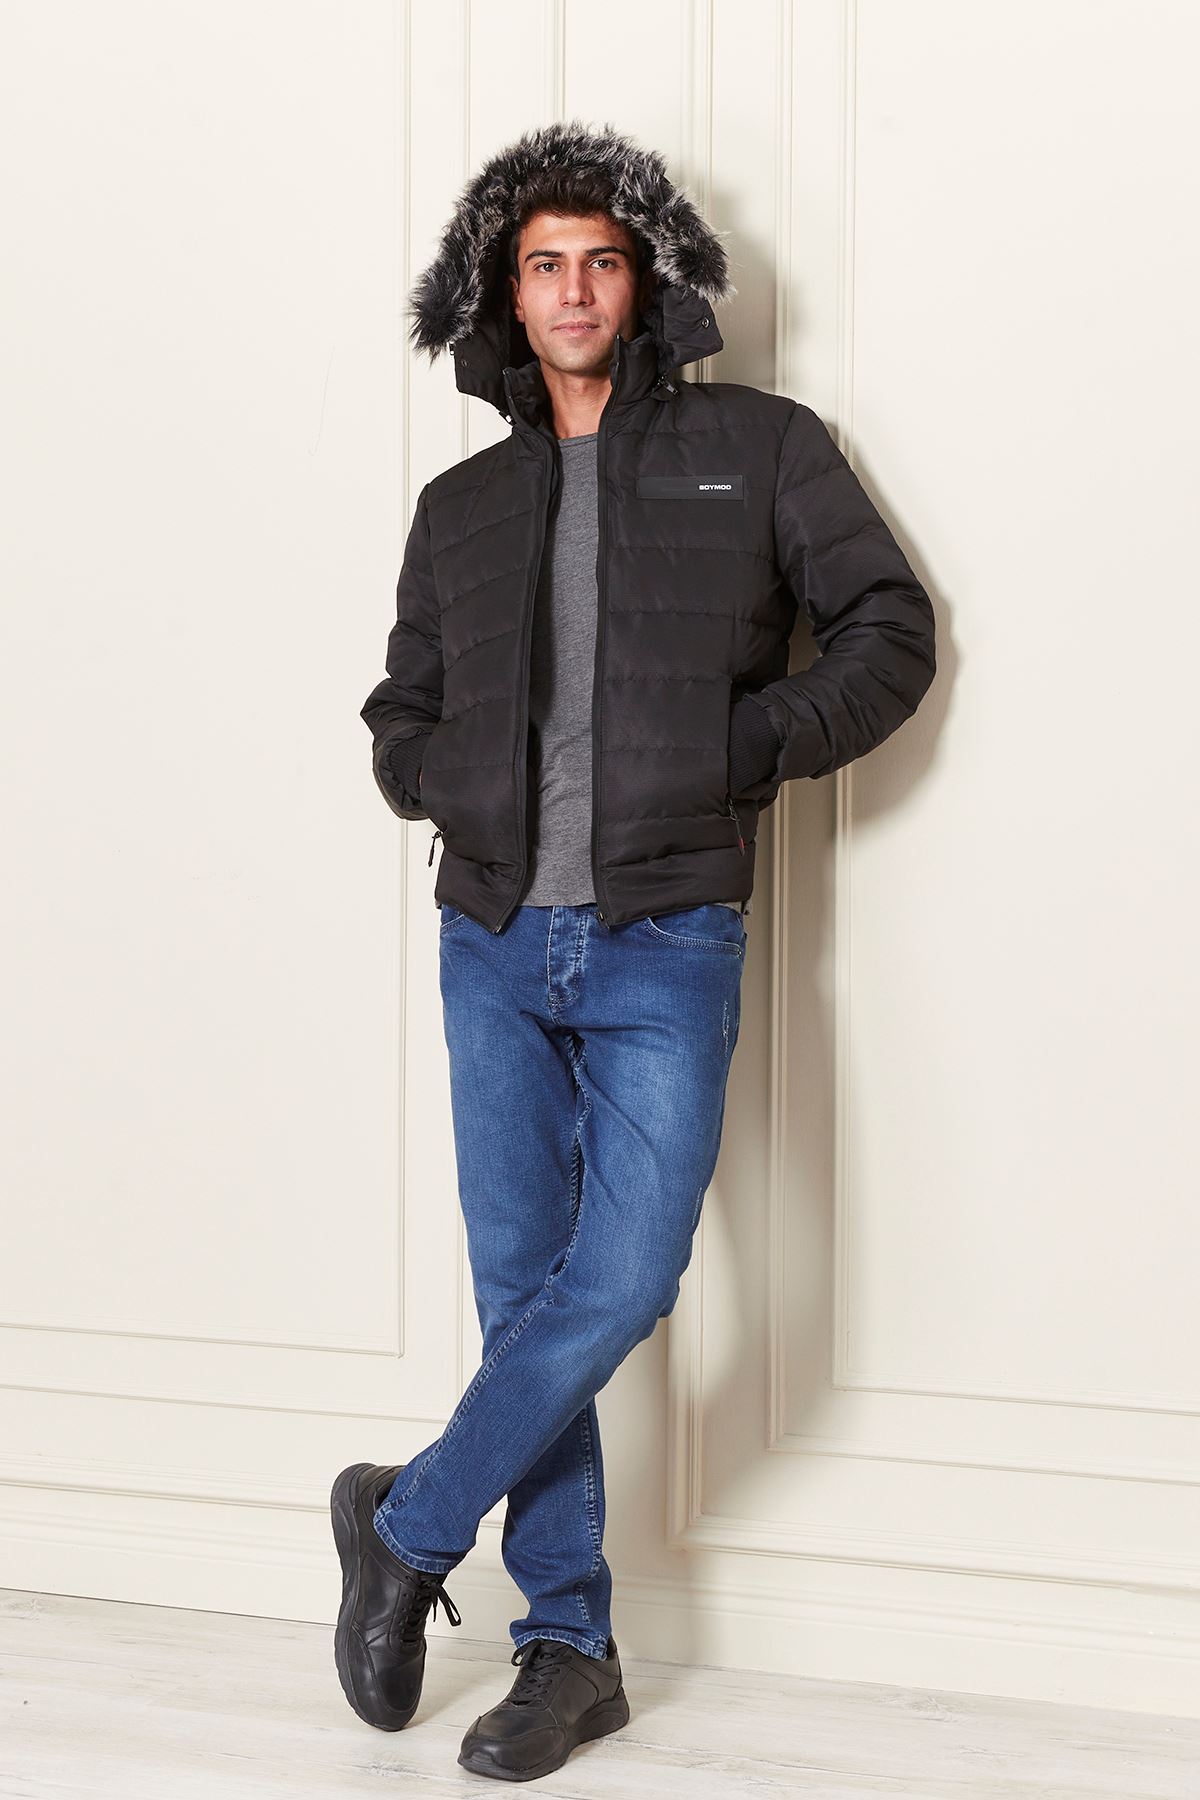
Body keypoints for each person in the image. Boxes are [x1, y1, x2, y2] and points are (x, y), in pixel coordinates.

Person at [332, 119, 936, 1783]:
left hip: (669, 928)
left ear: (647, 278)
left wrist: (744, 747)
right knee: (525, 1293)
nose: (576, 290)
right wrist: (436, 777)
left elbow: (890, 629)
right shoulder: (461, 504)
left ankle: (407, 1524)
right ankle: (570, 1649)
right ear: (505, 297)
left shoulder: (763, 446)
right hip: (490, 936)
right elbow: (399, 704)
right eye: (544, 265)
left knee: (621, 1281)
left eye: (602, 260)